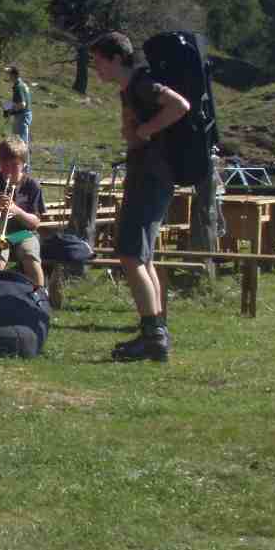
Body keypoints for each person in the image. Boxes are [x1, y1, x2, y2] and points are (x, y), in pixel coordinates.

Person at [87, 30, 190, 362]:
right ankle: (156, 330)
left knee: (131, 255)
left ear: (117, 58)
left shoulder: (142, 84)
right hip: (149, 174)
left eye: (99, 61)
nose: (96, 69)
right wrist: (134, 131)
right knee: (143, 257)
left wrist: (145, 130)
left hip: (152, 176)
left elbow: (180, 105)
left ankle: (153, 335)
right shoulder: (129, 90)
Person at [0, 135, 46, 289]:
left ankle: (39, 295)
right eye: (4, 164)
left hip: (23, 234)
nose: (9, 169)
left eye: (14, 165)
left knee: (30, 255)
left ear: (24, 164)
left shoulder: (32, 186)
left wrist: (16, 211)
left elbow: (35, 223)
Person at [3, 66, 32, 145]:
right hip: (24, 115)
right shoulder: (22, 84)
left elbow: (22, 104)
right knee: (19, 141)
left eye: (8, 74)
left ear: (13, 75)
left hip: (22, 116)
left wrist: (11, 110)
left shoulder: (18, 87)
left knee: (20, 142)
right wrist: (8, 105)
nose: (7, 76)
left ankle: (24, 153)